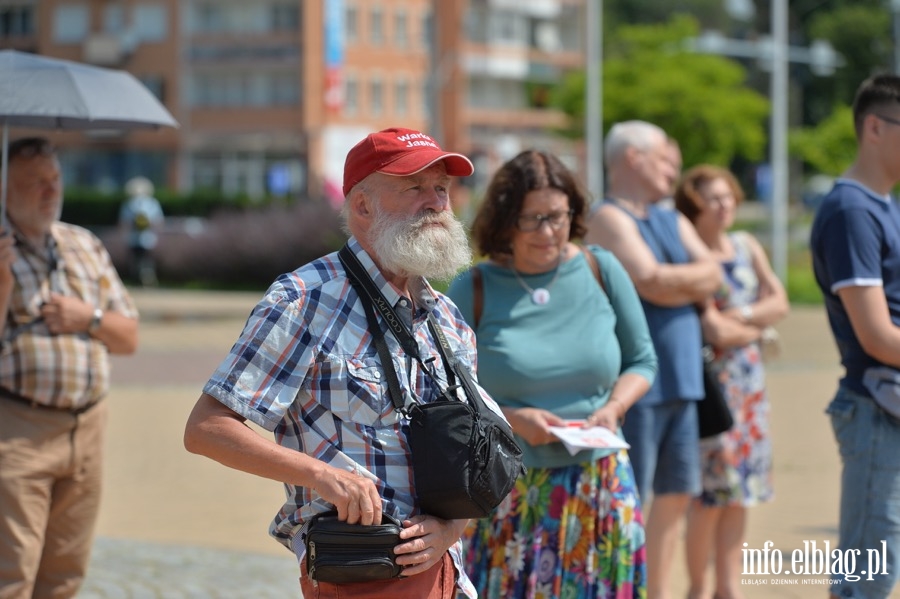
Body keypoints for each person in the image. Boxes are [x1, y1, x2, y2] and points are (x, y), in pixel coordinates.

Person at [183, 127, 490, 599]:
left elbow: (475, 450)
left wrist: (453, 527)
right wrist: (322, 475)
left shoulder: (446, 318)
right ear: (362, 206)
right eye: (414, 188)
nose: (435, 203)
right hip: (358, 570)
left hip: (444, 571)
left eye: (442, 189)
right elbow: (206, 429)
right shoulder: (304, 299)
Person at [446, 149, 658, 598]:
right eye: (532, 219)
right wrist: (511, 421)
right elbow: (442, 393)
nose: (548, 232)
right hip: (509, 490)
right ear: (505, 221)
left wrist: (615, 407)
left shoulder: (602, 268)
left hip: (601, 484)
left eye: (557, 217)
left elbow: (643, 361)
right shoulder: (473, 288)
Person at [584, 120, 722, 599]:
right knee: (633, 496)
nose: (674, 168)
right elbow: (650, 280)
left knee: (677, 495)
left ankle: (658, 591)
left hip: (683, 380)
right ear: (633, 158)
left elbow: (712, 273)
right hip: (636, 386)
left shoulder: (670, 216)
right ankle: (630, 588)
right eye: (665, 158)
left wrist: (675, 278)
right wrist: (688, 278)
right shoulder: (608, 216)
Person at [0, 137, 139, 598]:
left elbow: (129, 338)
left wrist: (88, 319)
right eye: (34, 182)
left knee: (65, 573)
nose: (49, 191)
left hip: (87, 428)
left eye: (54, 179)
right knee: (11, 572)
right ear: (5, 189)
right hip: (18, 429)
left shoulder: (83, 244)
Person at [674, 165, 789, 599]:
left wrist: (741, 320)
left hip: (750, 387)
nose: (725, 206)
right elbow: (713, 332)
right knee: (709, 495)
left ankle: (729, 586)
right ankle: (698, 587)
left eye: (728, 196)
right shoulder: (693, 258)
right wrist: (755, 325)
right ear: (695, 207)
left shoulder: (746, 244)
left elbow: (779, 301)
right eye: (713, 199)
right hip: (713, 388)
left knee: (743, 491)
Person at [810, 73, 900, 599]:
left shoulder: (883, 204)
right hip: (875, 406)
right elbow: (877, 335)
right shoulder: (852, 209)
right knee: (867, 579)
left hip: (885, 407)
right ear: (874, 127)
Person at [118, 176, 164, 287]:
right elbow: (159, 221)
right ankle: (146, 279)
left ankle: (140, 279)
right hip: (147, 238)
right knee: (146, 260)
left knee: (137, 260)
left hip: (136, 237)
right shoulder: (152, 203)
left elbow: (124, 222)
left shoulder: (129, 204)